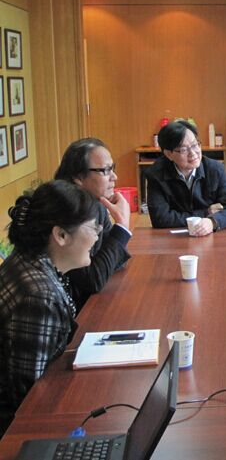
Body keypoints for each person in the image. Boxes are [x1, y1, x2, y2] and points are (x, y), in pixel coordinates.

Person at [0, 181, 99, 435]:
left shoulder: (29, 260)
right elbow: (29, 398)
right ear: (61, 235)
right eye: (92, 227)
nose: (97, 235)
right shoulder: (39, 296)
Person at [54, 138, 131, 309]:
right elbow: (93, 280)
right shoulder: (66, 213)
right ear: (79, 177)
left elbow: (117, 261)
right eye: (105, 170)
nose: (114, 177)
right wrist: (122, 226)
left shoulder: (97, 205)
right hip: (66, 310)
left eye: (113, 168)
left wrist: (108, 257)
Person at [145, 120, 226, 233]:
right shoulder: (156, 175)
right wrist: (206, 213)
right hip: (174, 238)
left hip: (210, 235)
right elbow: (160, 219)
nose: (193, 153)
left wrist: (212, 222)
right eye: (184, 149)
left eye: (195, 145)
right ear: (169, 154)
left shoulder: (215, 169)